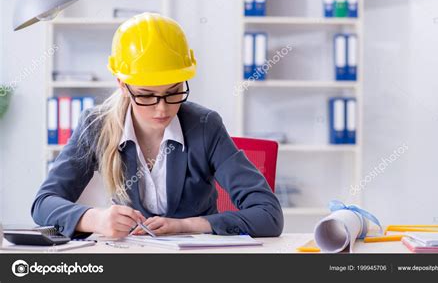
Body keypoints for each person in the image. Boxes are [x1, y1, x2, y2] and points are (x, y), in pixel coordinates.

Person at [31, 13, 284, 239]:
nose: (162, 109)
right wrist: (95, 219)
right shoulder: (96, 126)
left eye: (173, 92)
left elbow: (269, 215)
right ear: (122, 84)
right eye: (146, 95)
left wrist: (186, 225)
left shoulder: (205, 126)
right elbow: (43, 204)